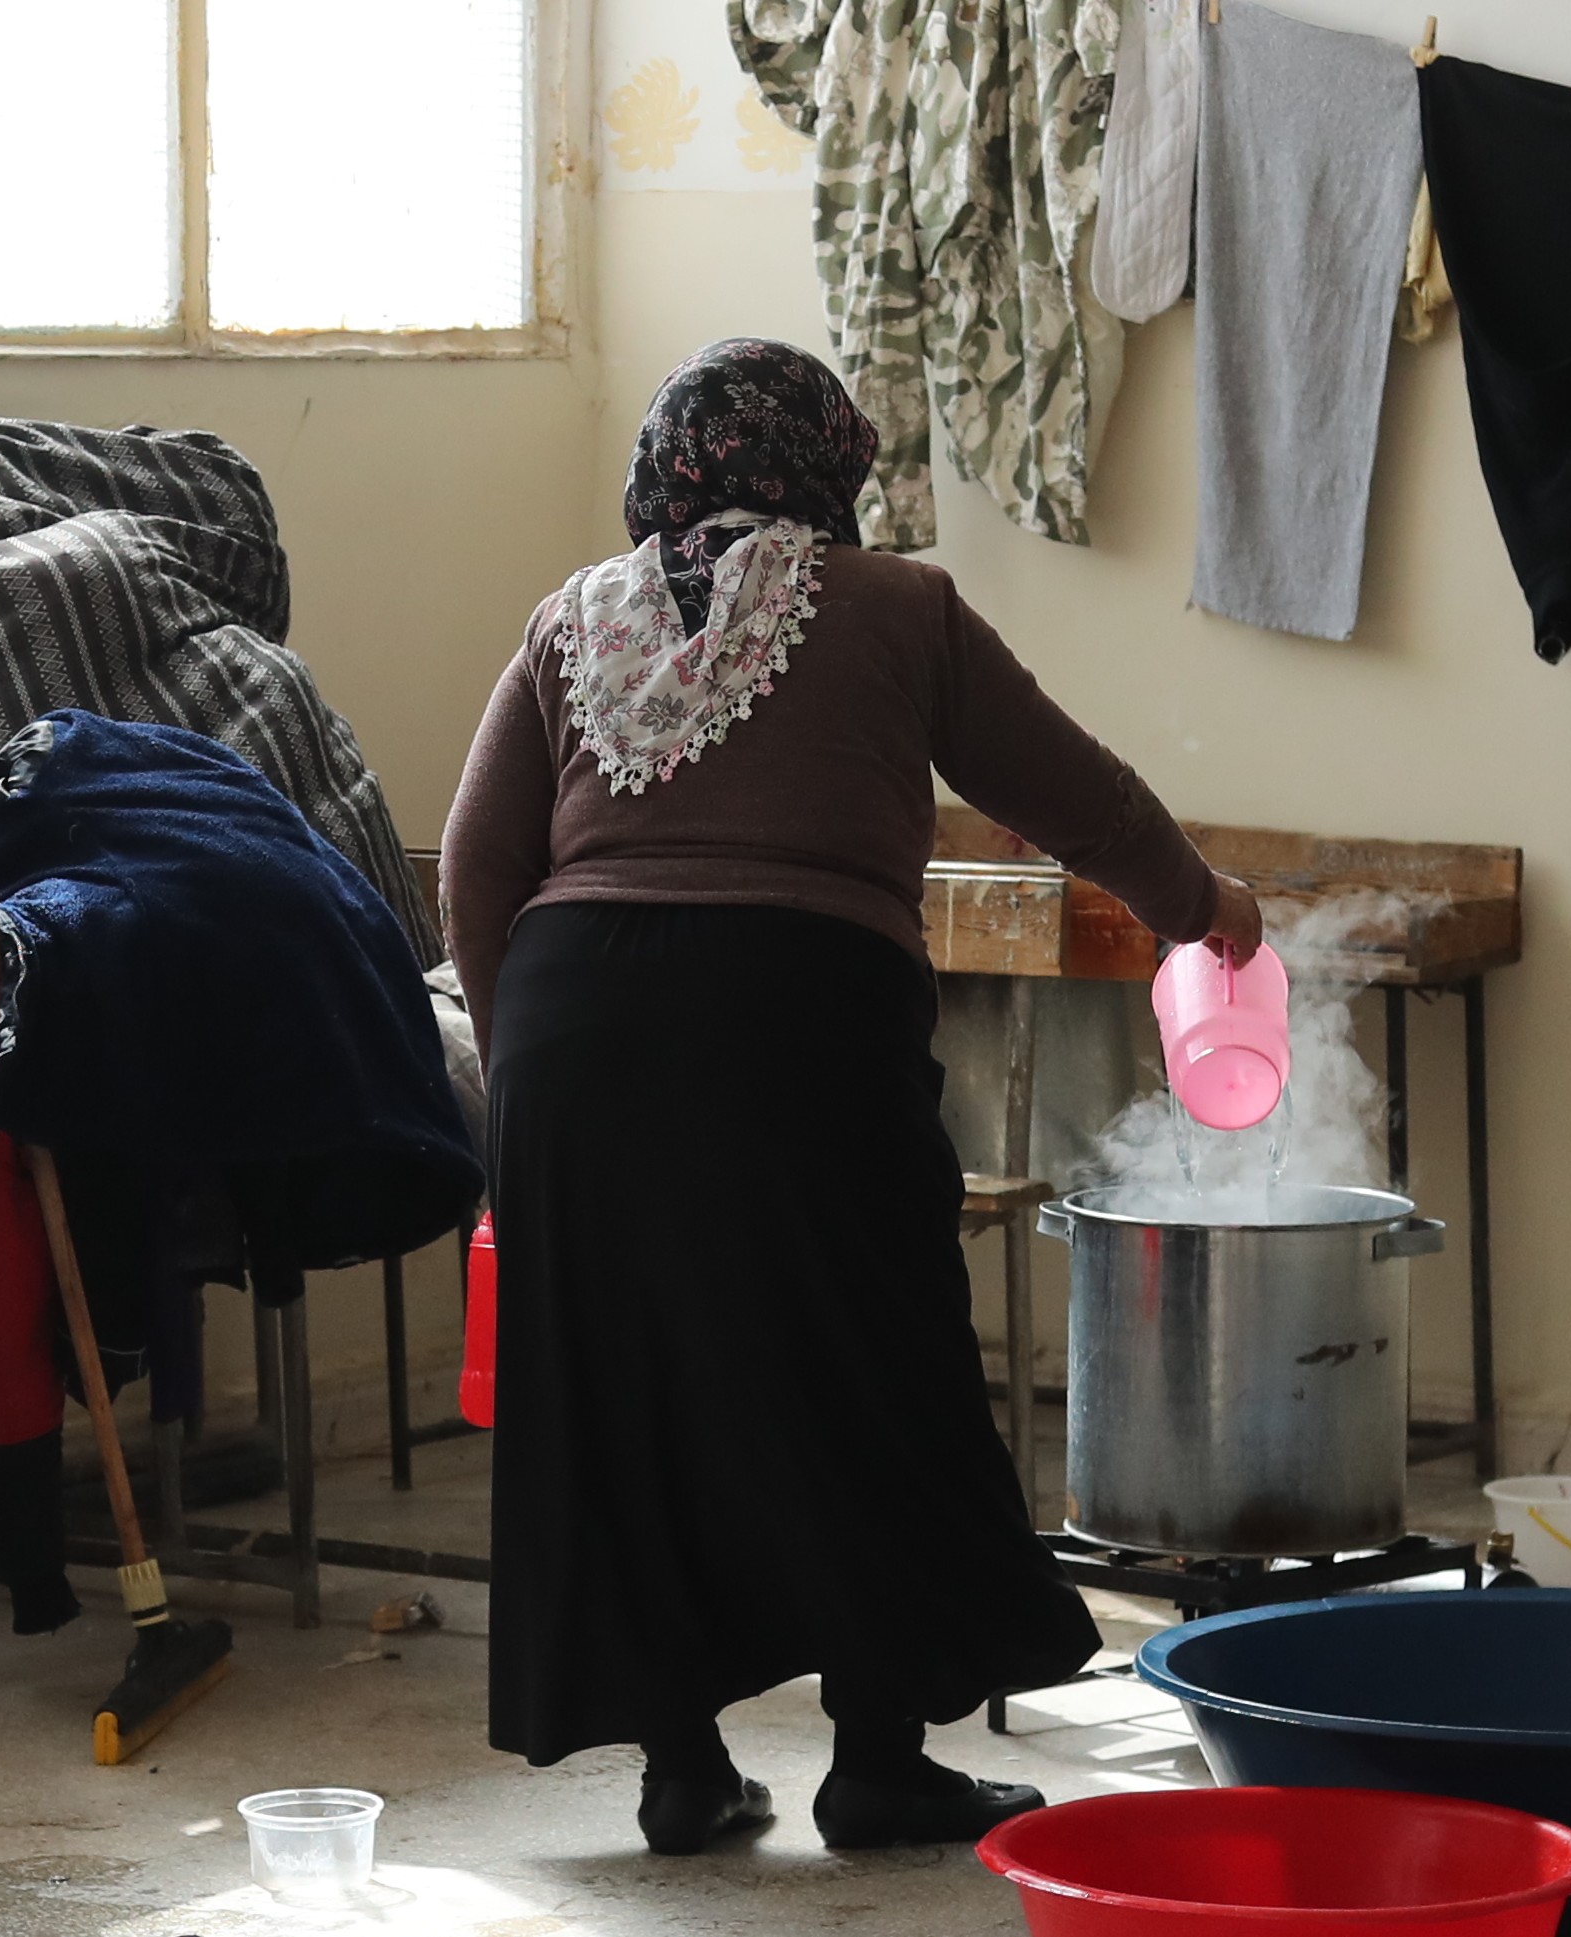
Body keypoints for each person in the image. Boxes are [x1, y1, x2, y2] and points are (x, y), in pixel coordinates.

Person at [441, 339, 1262, 1856]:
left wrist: (525, 1090)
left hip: (571, 1035)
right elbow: (1065, 789)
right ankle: (879, 1758)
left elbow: (475, 869)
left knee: (630, 1391)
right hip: (794, 1023)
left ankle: (681, 1766)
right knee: (868, 1366)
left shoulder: (569, 616)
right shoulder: (894, 606)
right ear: (829, 468)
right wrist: (1200, 901)